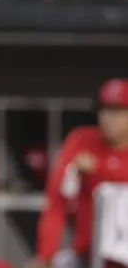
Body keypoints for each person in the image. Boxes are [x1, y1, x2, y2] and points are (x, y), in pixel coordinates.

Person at [26, 79, 128, 268]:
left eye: (118, 111)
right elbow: (56, 199)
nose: (108, 118)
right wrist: (45, 255)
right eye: (104, 110)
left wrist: (99, 170)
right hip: (87, 255)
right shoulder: (82, 140)